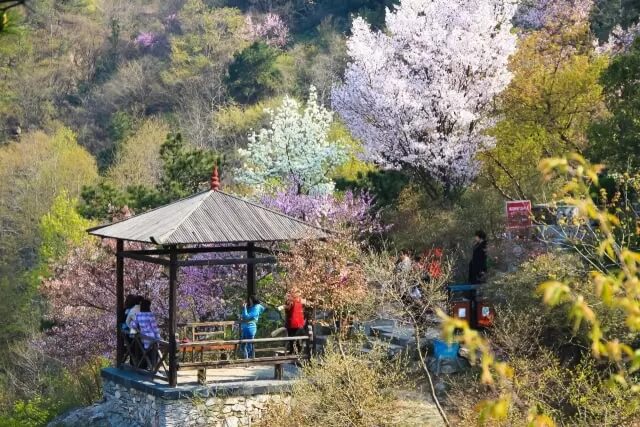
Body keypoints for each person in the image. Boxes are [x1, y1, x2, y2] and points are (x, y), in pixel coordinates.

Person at [131, 299, 161, 368]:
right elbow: (155, 328)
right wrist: (158, 338)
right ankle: (154, 367)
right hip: (151, 337)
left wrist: (138, 331)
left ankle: (149, 367)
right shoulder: (150, 315)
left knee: (146, 352)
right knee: (154, 352)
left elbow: (133, 325)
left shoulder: (138, 315)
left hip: (143, 337)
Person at [284, 289, 306, 354]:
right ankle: (297, 350)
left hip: (292, 323)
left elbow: (288, 308)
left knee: (292, 338)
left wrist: (284, 306)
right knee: (296, 338)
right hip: (299, 322)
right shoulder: (301, 301)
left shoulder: (291, 301)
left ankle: (293, 351)